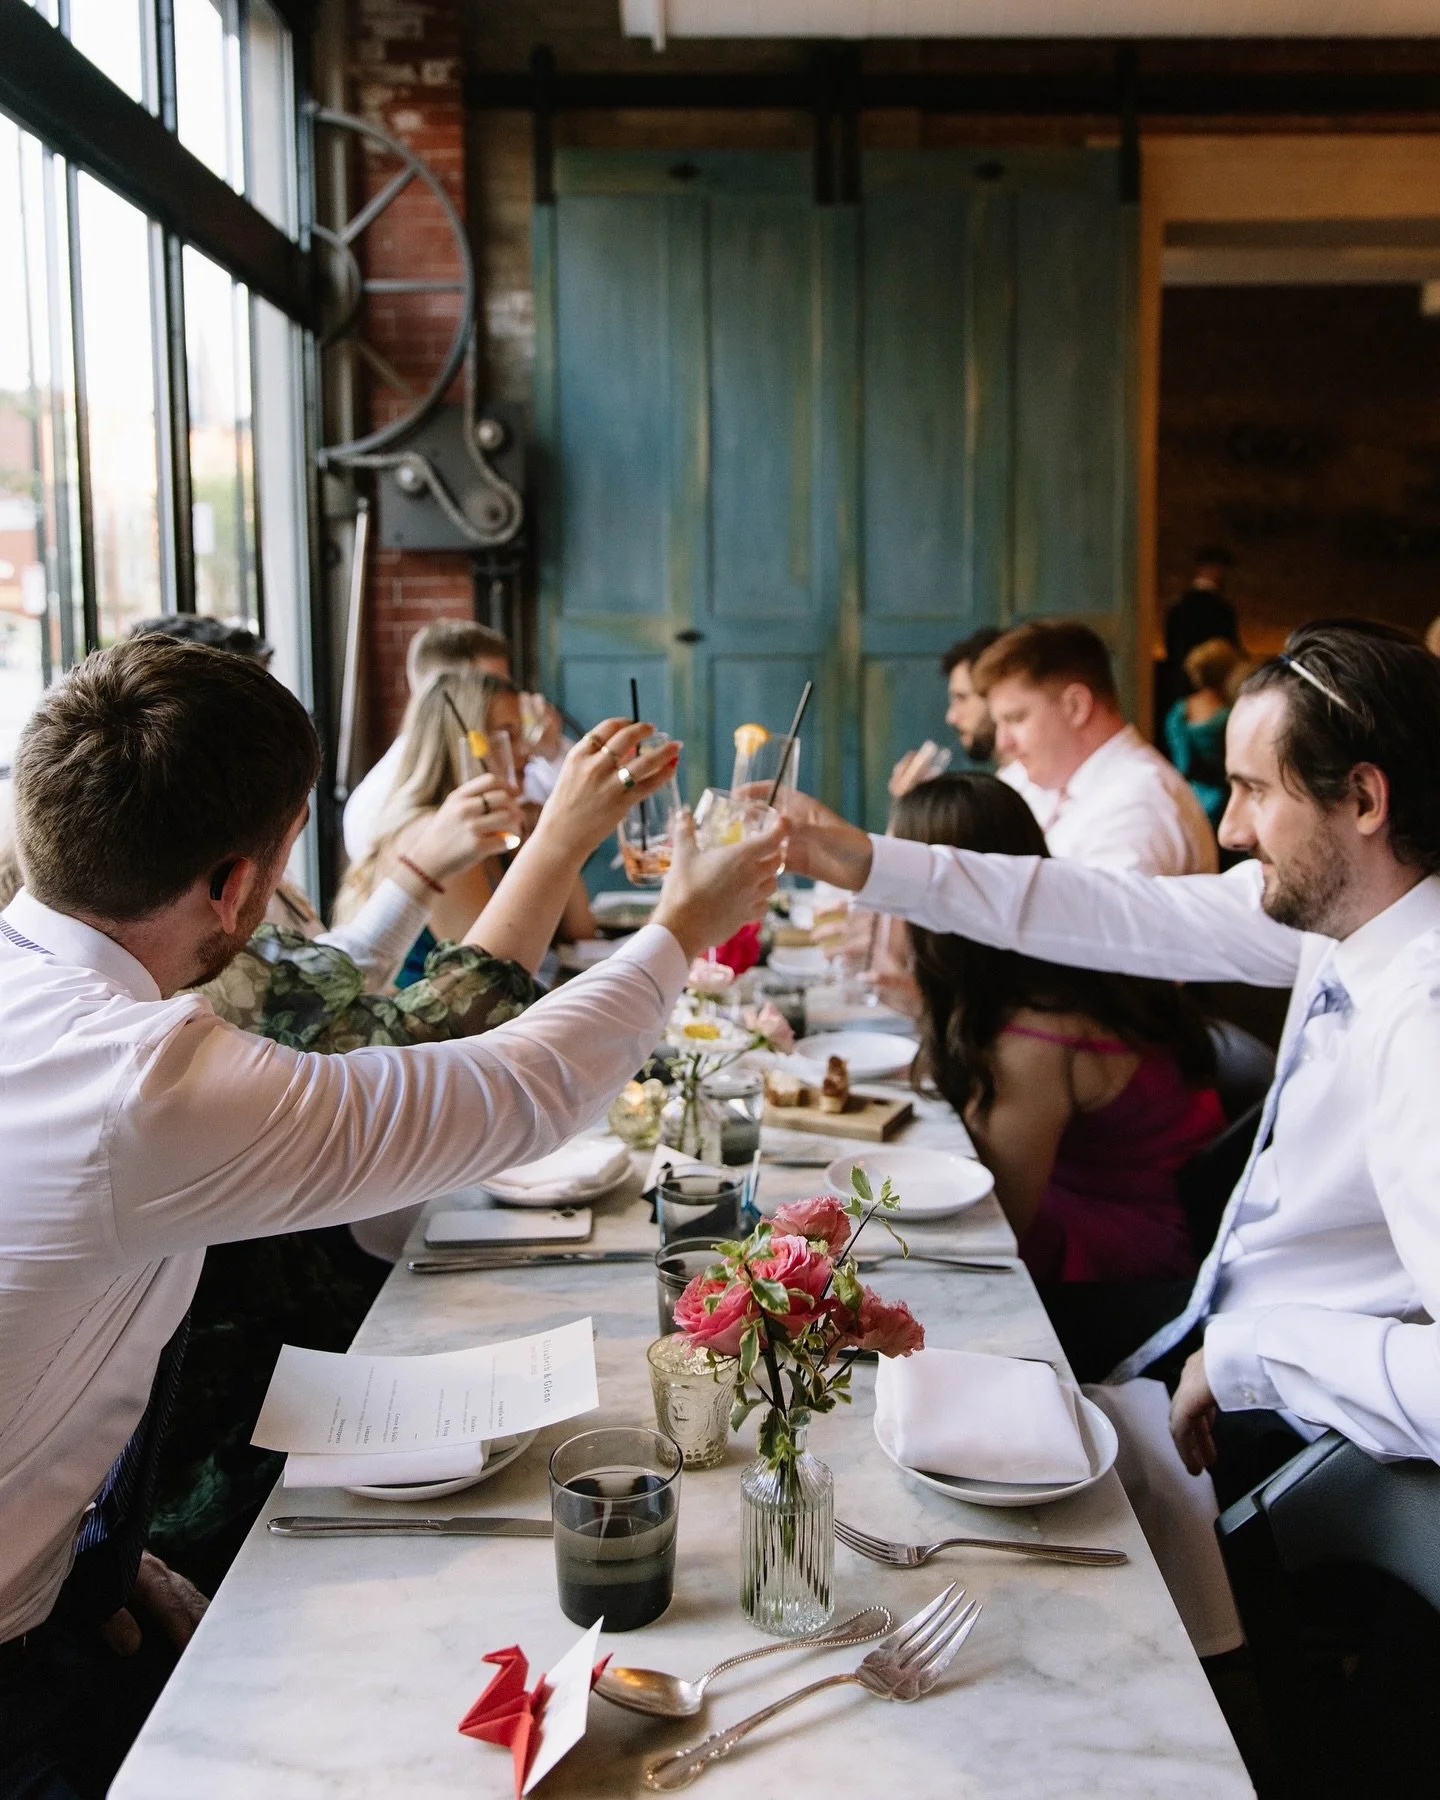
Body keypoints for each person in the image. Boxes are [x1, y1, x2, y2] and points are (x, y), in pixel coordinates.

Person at [0, 636, 783, 1796]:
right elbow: (511, 1093)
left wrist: (82, 1563)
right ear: (237, 887)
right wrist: (679, 928)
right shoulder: (137, 1080)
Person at [773, 621, 1440, 1507]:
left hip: (1305, 1425)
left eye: (1251, 791)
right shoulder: (1352, 916)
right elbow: (1106, 909)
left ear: (1363, 799)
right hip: (1213, 1310)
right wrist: (864, 860)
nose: (1229, 828)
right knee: (905, 1350)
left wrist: (1253, 1356)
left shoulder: (1423, 1023)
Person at [892, 773, 1224, 1309]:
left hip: (1126, 1279)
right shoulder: (1066, 956)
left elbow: (994, 1223)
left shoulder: (1034, 1033)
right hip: (1148, 1221)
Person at [335, 667, 594, 979]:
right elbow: (493, 979)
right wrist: (556, 841)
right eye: (508, 735)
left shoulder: (498, 824)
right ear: (465, 745)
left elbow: (581, 933)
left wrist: (546, 839)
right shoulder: (442, 835)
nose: (526, 750)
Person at [975, 621, 1218, 876]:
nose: (1003, 742)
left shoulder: (1138, 804)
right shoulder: (1037, 779)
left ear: (1076, 706)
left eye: (1016, 718)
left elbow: (1092, 915)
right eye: (999, 723)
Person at [342, 620, 565, 861]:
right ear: (447, 694)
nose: (506, 696)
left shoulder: (500, 764)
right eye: (486, 686)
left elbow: (565, 807)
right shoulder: (381, 806)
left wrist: (552, 751)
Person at [889, 626, 1004, 798]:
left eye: (962, 698)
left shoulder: (1030, 791)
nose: (951, 718)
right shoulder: (1006, 783)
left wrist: (908, 806)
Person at [1165, 637, 1242, 831]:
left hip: (1185, 799)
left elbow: (1182, 764)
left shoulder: (1179, 712)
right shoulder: (1231, 714)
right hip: (1224, 800)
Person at [1158, 546, 1240, 723]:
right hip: (1214, 698)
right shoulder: (1222, 611)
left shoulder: (1177, 609)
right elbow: (1231, 653)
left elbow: (1172, 651)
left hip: (1179, 693)